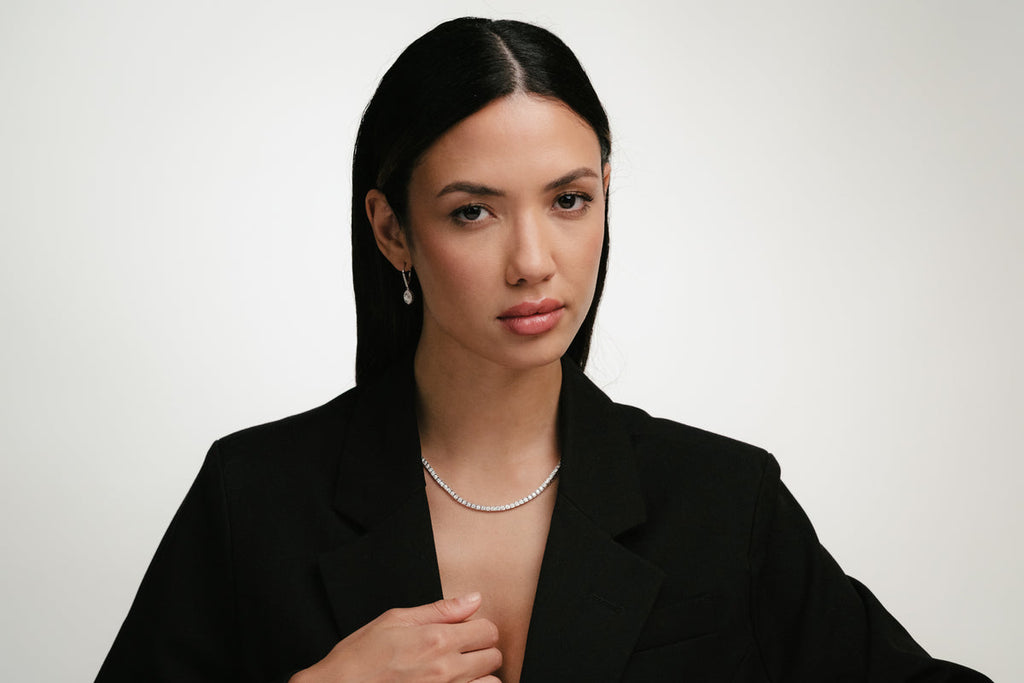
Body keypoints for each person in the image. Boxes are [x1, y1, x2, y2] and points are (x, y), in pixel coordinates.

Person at [96, 17, 992, 683]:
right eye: (473, 212)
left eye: (568, 200)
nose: (534, 263)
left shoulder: (726, 502)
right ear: (392, 230)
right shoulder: (251, 497)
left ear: (606, 193)